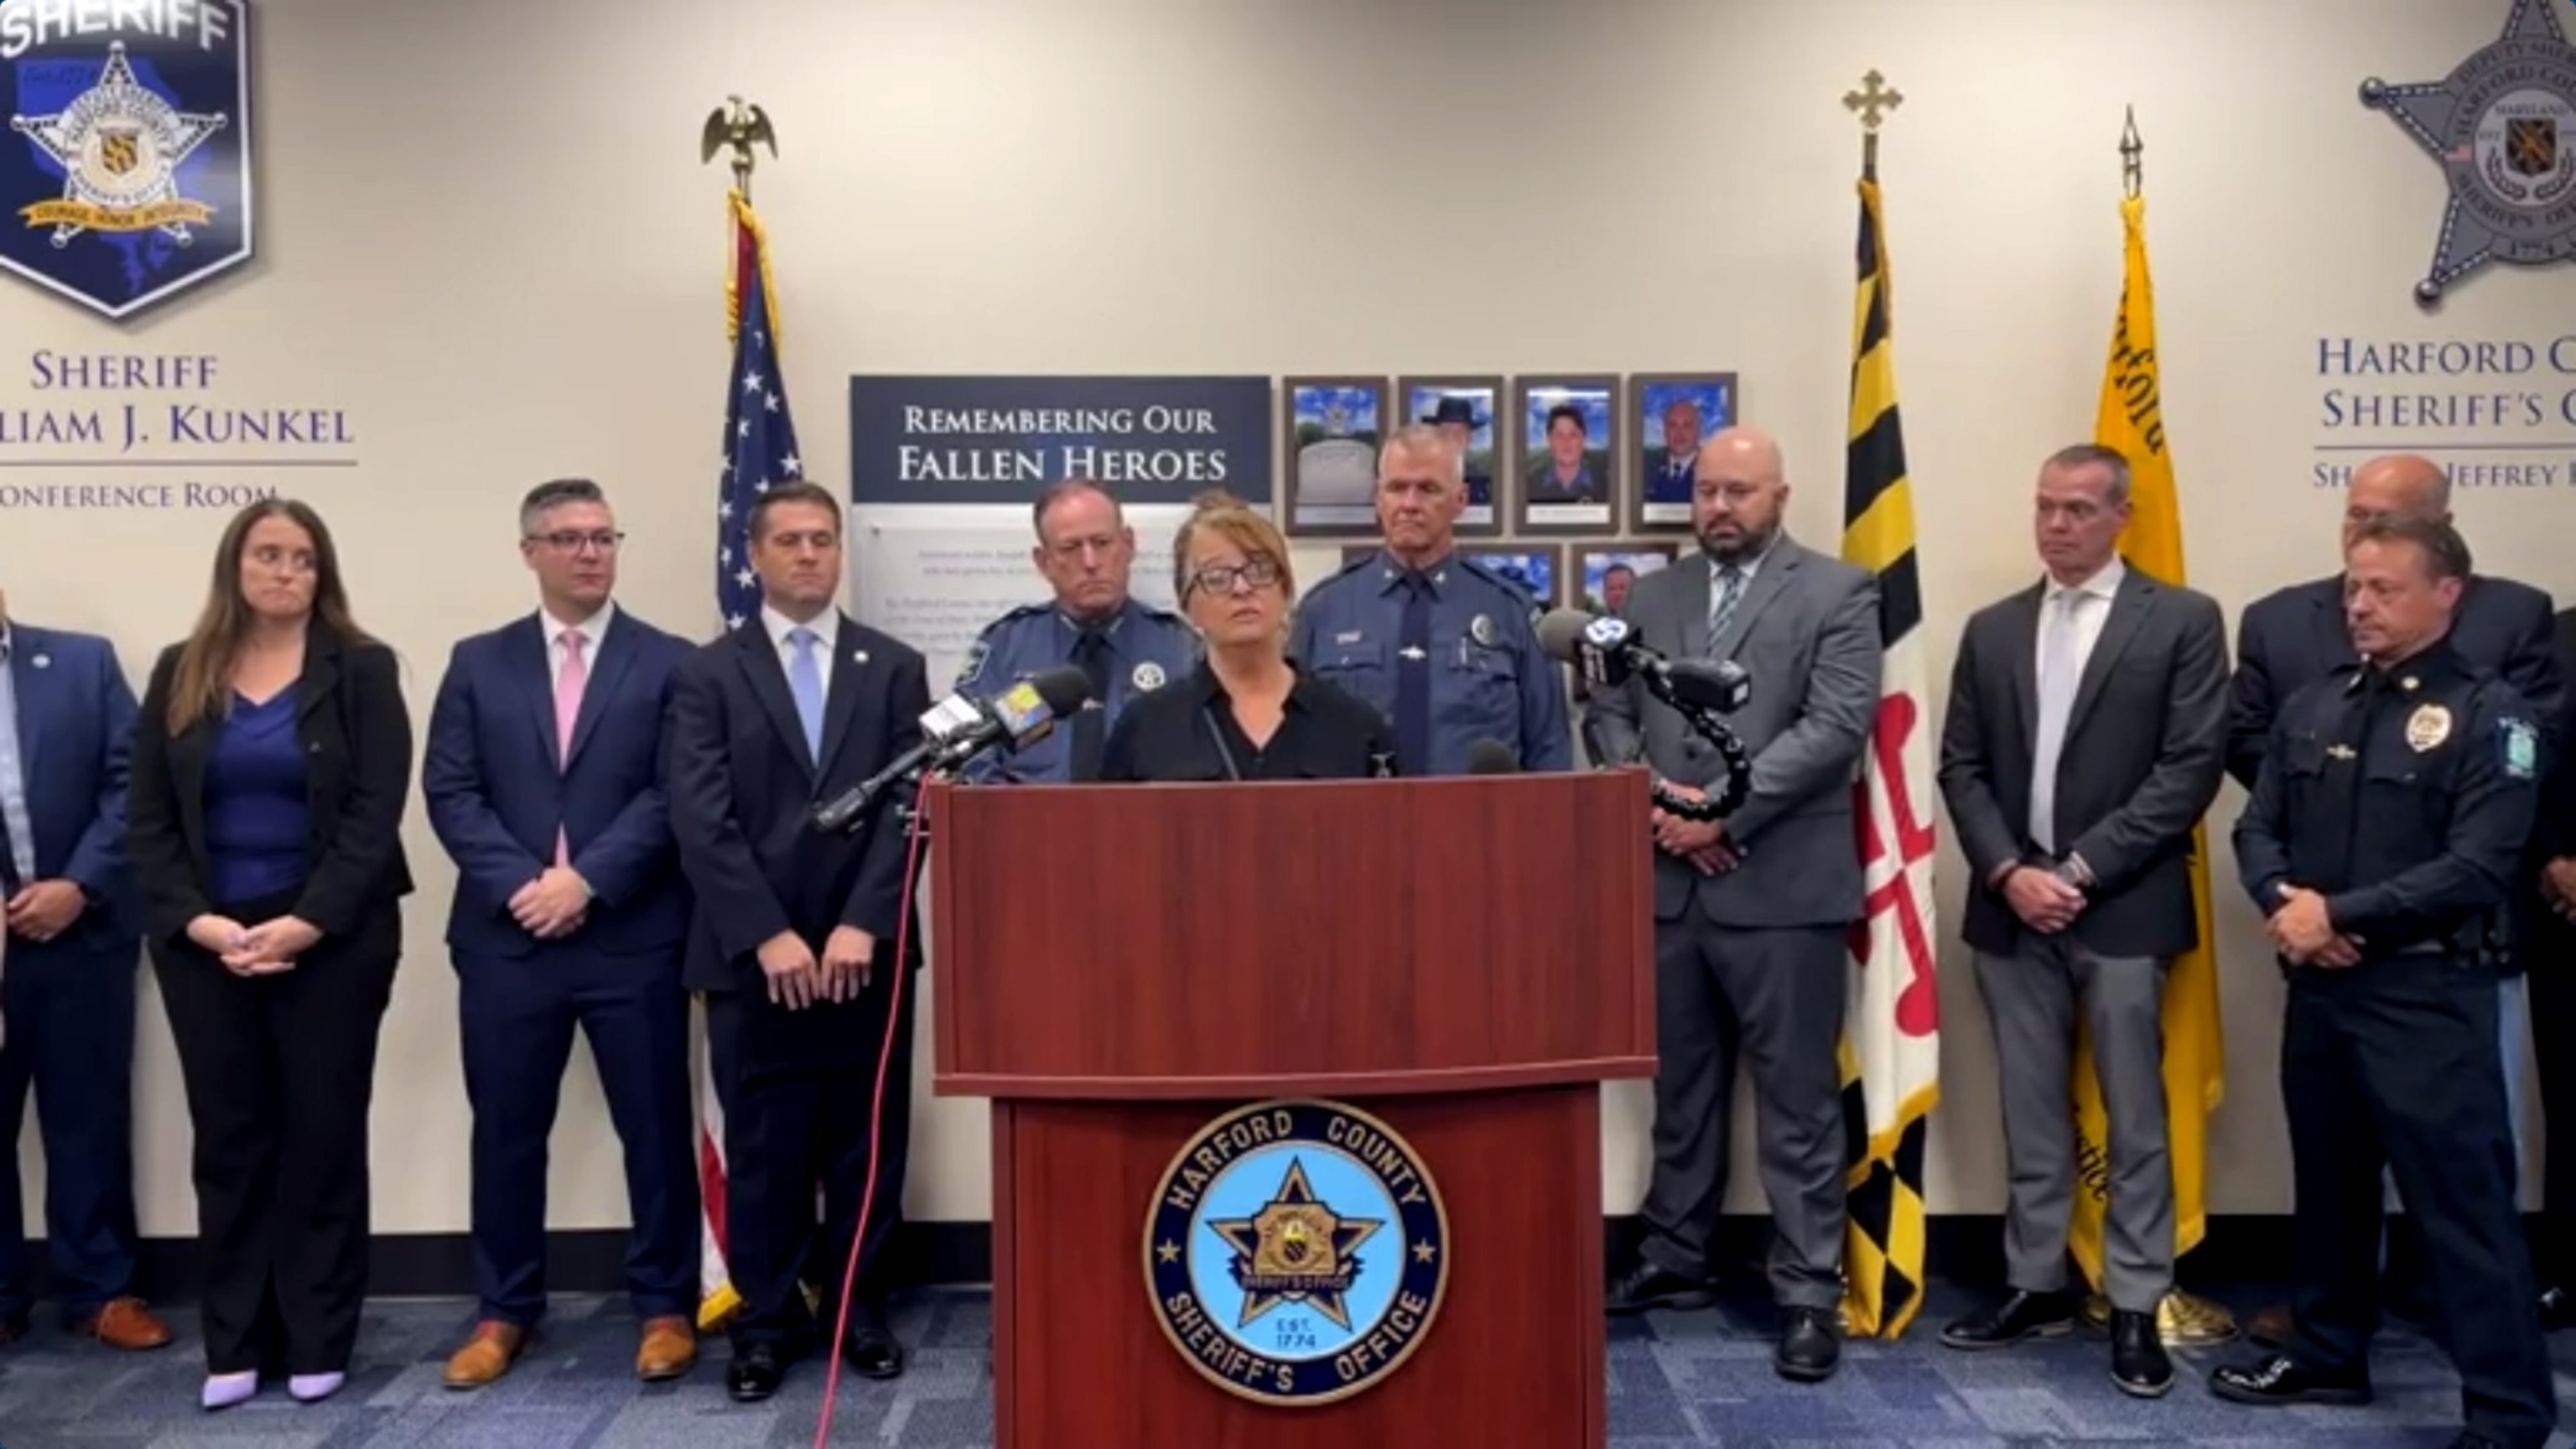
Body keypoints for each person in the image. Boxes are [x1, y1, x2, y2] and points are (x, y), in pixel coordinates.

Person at [2213, 514, 2558, 1449]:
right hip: (2323, 991)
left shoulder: (2496, 717)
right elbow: (2258, 826)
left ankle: (2509, 1412)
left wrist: (2342, 916)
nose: (2359, 606)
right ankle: (2329, 1353)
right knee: (2330, 1186)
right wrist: (2288, 904)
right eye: (2353, 589)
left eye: (2384, 589)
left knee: (2463, 1211)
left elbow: (2479, 866)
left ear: (2448, 594)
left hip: (2428, 996)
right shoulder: (2318, 702)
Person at [1587, 425, 1882, 1384]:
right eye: (1708, 491)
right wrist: (1653, 806)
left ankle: (1806, 1291)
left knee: (1797, 1102)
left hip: (1783, 887)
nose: (1720, 508)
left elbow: (1836, 726)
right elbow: (1609, 710)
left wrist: (1720, 815)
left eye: (1740, 492)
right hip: (1665, 883)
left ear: (1779, 497)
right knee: (1682, 1091)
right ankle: (1675, 1254)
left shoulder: (1839, 591)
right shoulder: (1653, 594)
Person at [1932, 444, 2229, 1397]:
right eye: (2045, 508)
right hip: (2014, 911)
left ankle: (2136, 1301)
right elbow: (1961, 768)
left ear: (2120, 517)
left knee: (2135, 1113)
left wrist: (2083, 869)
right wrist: (2013, 871)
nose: (2056, 526)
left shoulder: (2181, 621)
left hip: (2124, 909)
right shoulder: (1992, 628)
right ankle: (2034, 1281)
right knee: (2027, 1106)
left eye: (2077, 510)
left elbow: (2189, 769)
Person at [125, 499, 413, 1410]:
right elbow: (147, 820)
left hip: (333, 939)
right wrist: (202, 923)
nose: (285, 572)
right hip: (207, 942)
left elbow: (375, 815)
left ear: (321, 572)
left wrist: (307, 922)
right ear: (235, 566)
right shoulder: (182, 671)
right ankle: (237, 1343)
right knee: (232, 1141)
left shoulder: (363, 671)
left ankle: (322, 1335)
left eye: (302, 558)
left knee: (320, 1138)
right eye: (267, 555)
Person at [422, 480, 700, 1388]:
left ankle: (665, 1305)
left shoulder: (670, 663)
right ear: (529, 552)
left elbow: (674, 793)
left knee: (653, 1130)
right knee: (506, 1131)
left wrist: (587, 880)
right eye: (568, 538)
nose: (590, 552)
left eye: (603, 536)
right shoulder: (478, 661)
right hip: (510, 943)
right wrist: (525, 888)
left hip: (631, 934)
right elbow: (451, 792)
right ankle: (505, 1311)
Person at [666, 480, 932, 1402]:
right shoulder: (706, 673)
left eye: (823, 539)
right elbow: (701, 818)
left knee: (865, 1143)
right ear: (755, 555)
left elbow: (913, 804)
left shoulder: (893, 665)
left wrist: (865, 919)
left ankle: (859, 1310)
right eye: (790, 540)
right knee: (768, 1148)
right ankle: (766, 1323)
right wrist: (768, 934)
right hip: (754, 960)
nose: (809, 554)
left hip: (868, 951)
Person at [0, 588, 169, 1353]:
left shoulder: (80, 662)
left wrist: (80, 886)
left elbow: (131, 783)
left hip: (83, 930)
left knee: (89, 1117)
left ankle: (101, 1291)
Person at [1289, 422, 1569, 776]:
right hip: (1355, 825)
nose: (1409, 504)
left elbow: (1550, 752)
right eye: (1396, 488)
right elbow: (1293, 749)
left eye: (1428, 489)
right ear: (1378, 497)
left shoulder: (1511, 611)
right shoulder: (1324, 609)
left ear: (1461, 500)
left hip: (1480, 827)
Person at [1098, 491, 1394, 782]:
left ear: (1286, 590)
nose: (1242, 588)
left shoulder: (1351, 724)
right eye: (1217, 577)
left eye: (1260, 569)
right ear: (1188, 605)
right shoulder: (1148, 726)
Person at [953, 478, 1198, 782]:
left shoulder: (1179, 647)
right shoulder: (1005, 648)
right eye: (1070, 548)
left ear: (1129, 545)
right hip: (1028, 825)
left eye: (1102, 543)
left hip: (1146, 824)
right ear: (1044, 562)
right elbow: (965, 757)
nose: (1090, 562)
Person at [2525, 603, 2576, 1330]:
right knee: (2571, 1097)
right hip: (2565, 903)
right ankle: (2569, 1270)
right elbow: (2519, 763)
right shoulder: (2556, 637)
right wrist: (2554, 857)